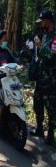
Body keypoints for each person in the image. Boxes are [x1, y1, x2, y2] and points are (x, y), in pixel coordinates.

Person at [34, 10, 56, 145]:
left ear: (48, 21)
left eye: (42, 21)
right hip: (41, 78)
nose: (40, 24)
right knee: (38, 104)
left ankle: (50, 135)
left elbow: (52, 58)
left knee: (52, 108)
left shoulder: (55, 37)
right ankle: (39, 129)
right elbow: (41, 56)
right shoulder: (45, 35)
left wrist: (40, 47)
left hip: (51, 80)